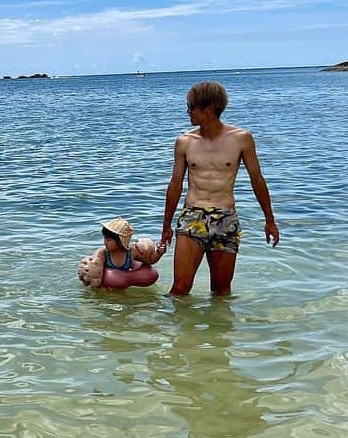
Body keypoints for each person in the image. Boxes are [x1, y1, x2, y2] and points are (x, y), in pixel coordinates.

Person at [159, 81, 278, 296]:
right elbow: (175, 183)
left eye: (192, 107)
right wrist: (166, 224)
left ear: (210, 108)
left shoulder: (242, 139)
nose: (188, 112)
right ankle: (175, 329)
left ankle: (220, 330)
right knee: (180, 288)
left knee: (221, 292)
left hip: (226, 218)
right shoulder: (185, 142)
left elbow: (257, 180)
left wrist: (269, 220)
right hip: (192, 216)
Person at [78, 217, 166, 290]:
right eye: (104, 239)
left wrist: (159, 253)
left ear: (120, 241)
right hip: (107, 287)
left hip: (123, 283)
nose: (105, 242)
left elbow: (149, 261)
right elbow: (94, 270)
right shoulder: (103, 253)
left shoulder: (131, 253)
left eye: (108, 240)